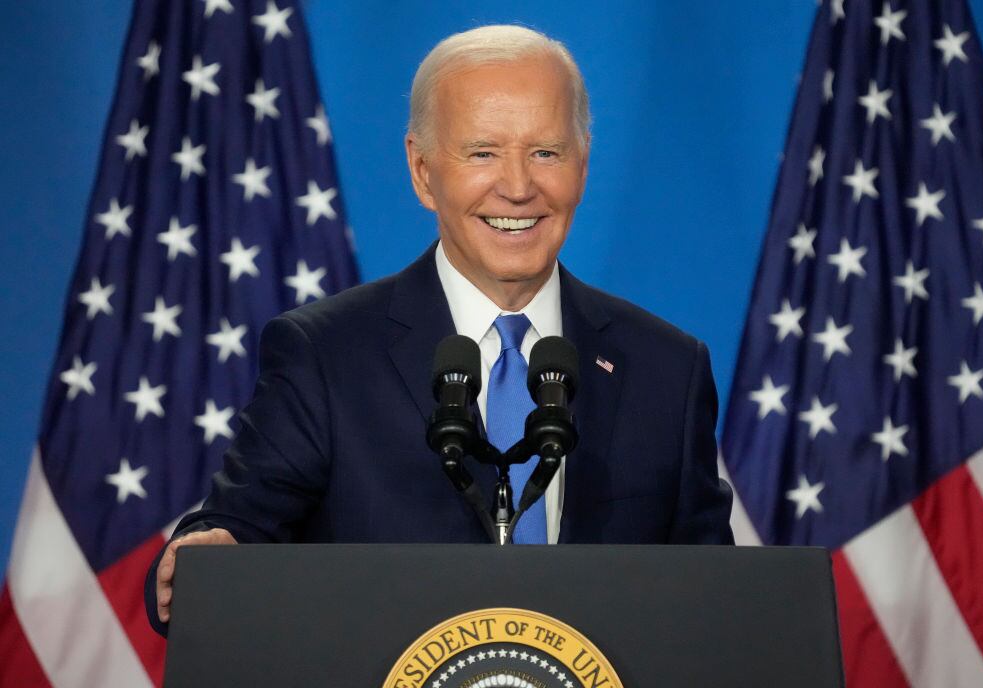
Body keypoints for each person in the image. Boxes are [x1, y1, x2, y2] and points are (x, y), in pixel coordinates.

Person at [146, 24, 733, 635]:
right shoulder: (324, 355)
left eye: (546, 152)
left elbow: (716, 603)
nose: (518, 186)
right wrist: (202, 555)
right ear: (423, 172)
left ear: (582, 166)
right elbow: (237, 532)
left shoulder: (666, 368)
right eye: (482, 152)